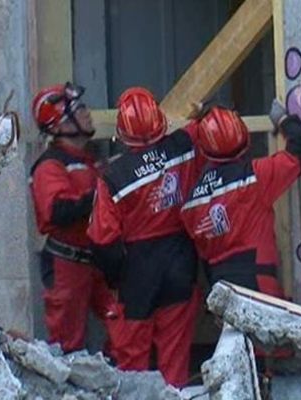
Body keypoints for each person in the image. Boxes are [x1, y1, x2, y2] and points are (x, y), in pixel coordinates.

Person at [87, 87, 204, 387]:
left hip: (136, 271)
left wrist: (116, 279)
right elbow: (214, 123)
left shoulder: (114, 177)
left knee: (131, 364)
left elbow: (103, 240)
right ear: (160, 121)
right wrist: (201, 107)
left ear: (123, 134)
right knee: (175, 359)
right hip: (180, 260)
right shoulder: (184, 145)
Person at [179, 99, 301, 298]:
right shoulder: (255, 176)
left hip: (220, 288)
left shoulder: (190, 206)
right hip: (258, 281)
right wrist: (284, 120)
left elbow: (203, 257)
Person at [29, 82, 116, 353]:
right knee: (68, 345)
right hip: (67, 264)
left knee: (123, 324)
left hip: (96, 260)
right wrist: (102, 191)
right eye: (78, 110)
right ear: (58, 126)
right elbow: (58, 211)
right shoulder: (50, 165)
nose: (88, 114)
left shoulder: (86, 160)